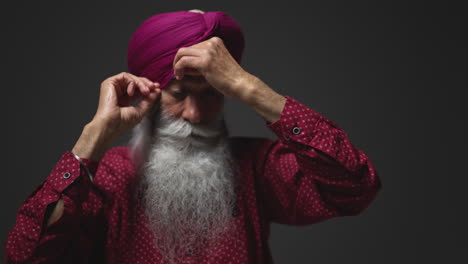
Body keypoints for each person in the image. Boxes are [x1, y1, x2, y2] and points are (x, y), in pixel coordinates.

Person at [5, 9, 382, 264]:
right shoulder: (112, 176)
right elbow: (26, 254)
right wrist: (92, 138)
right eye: (179, 94)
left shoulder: (257, 167)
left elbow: (356, 186)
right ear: (149, 93)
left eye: (212, 95)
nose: (195, 115)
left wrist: (252, 90)